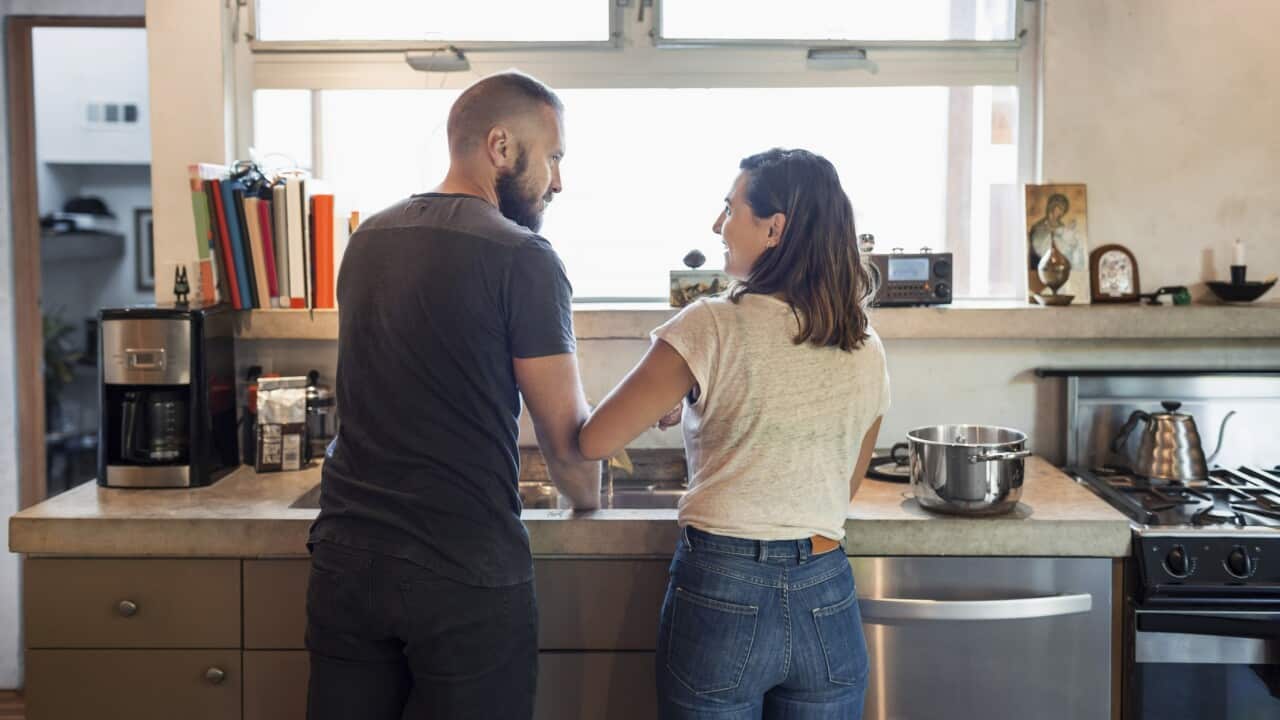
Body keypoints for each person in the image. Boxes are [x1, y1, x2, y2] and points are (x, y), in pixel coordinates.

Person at [305, 70, 600, 720]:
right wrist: (589, 498)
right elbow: (565, 442)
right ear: (500, 147)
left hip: (347, 561)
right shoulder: (525, 257)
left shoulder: (366, 240)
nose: (558, 180)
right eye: (552, 157)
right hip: (462, 569)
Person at [579, 148, 890, 719]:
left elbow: (594, 441)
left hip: (724, 591)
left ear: (775, 228)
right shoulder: (864, 345)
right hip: (826, 589)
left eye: (730, 209)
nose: (717, 226)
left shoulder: (710, 324)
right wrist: (703, 401)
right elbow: (840, 487)